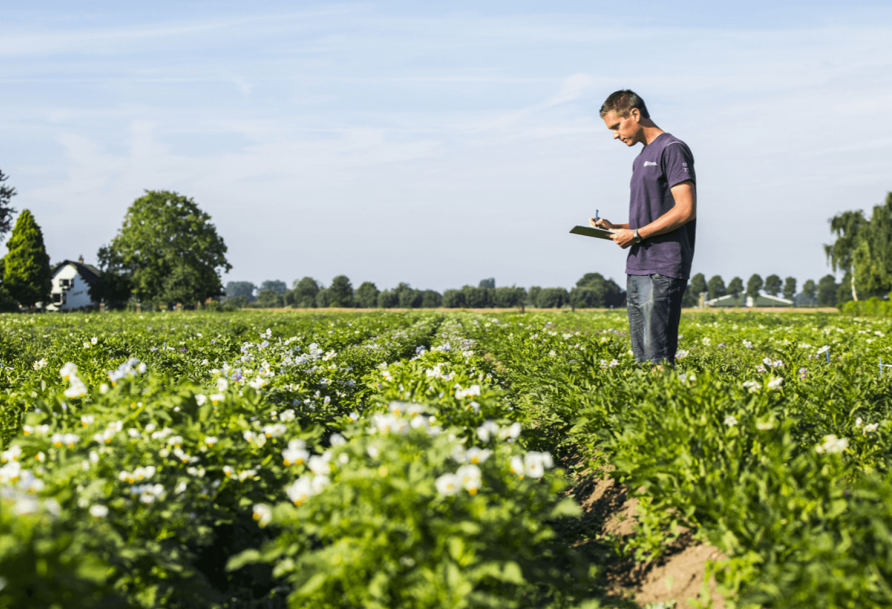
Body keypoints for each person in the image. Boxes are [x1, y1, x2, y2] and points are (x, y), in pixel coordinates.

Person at [591, 90, 696, 364]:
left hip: (663, 267)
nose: (614, 134)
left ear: (635, 114)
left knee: (657, 358)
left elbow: (685, 209)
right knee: (642, 358)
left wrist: (635, 234)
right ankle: (647, 404)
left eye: (616, 126)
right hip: (638, 266)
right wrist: (615, 226)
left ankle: (663, 404)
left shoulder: (672, 148)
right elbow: (649, 217)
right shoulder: (640, 158)